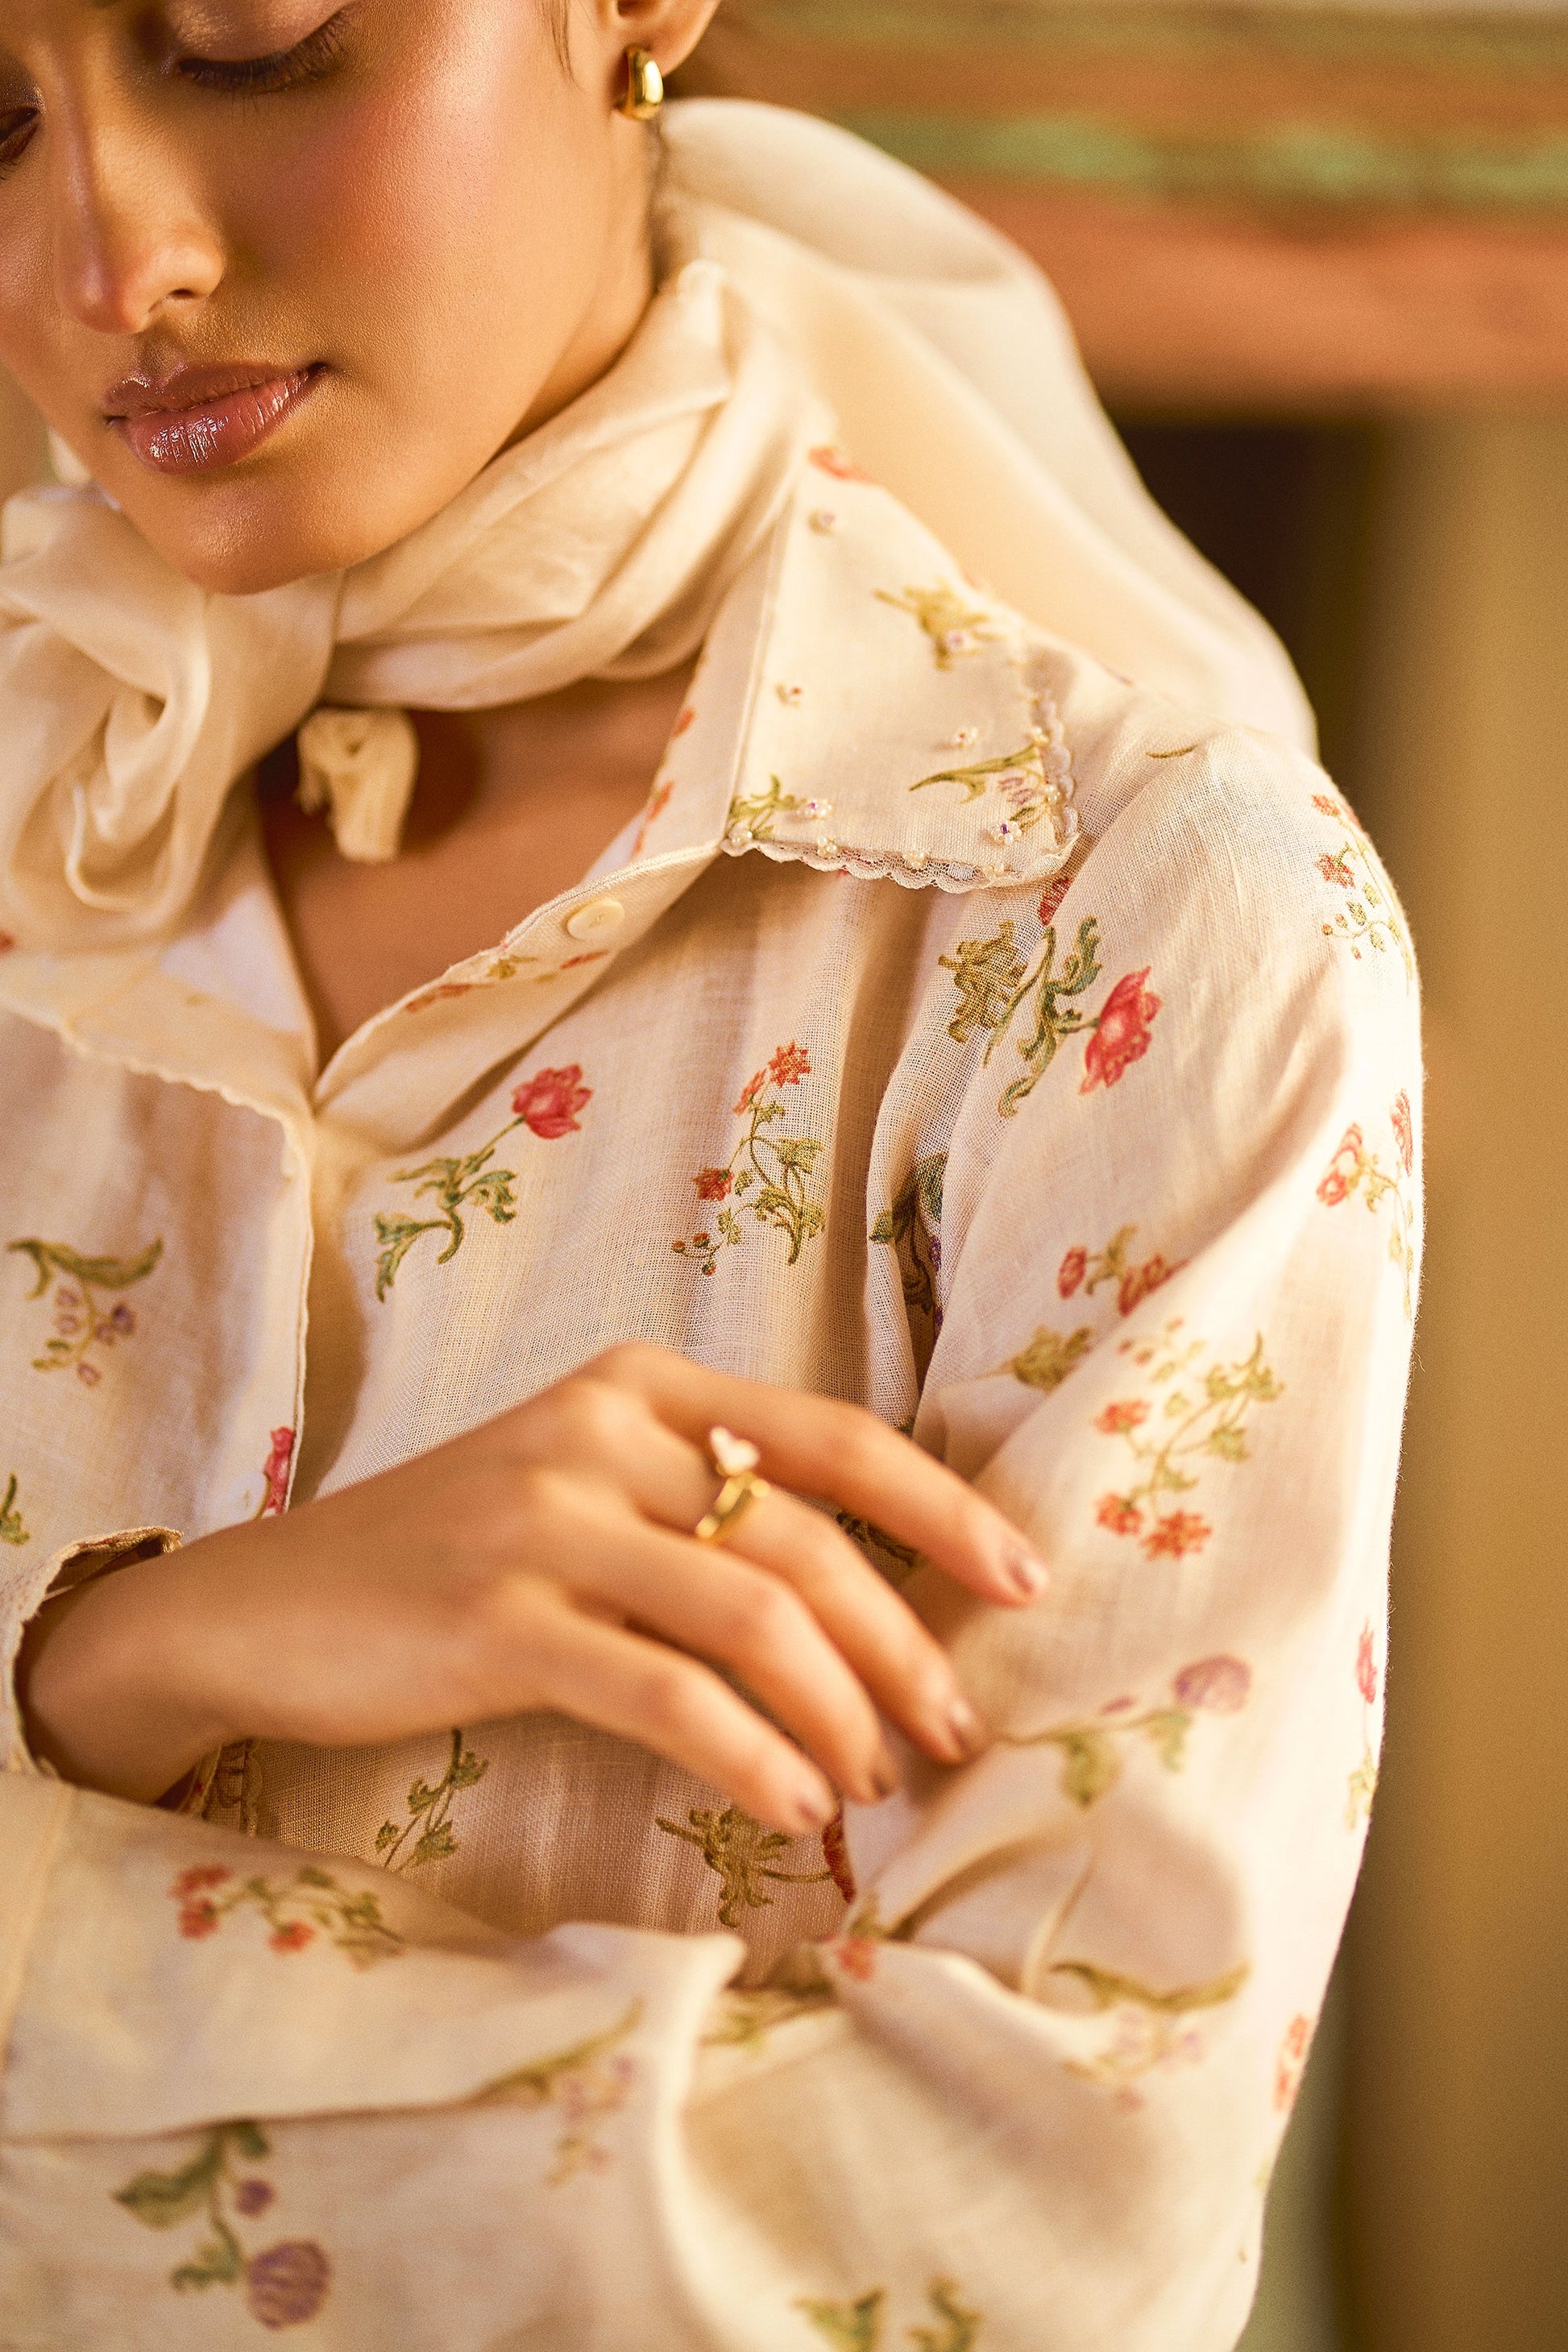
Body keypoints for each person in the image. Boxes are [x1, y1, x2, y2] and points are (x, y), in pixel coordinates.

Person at [0, 3, 1418, 2345]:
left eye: (251, 37)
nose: (104, 261)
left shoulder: (1132, 926)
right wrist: (123, 1658)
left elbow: (1019, 2234)